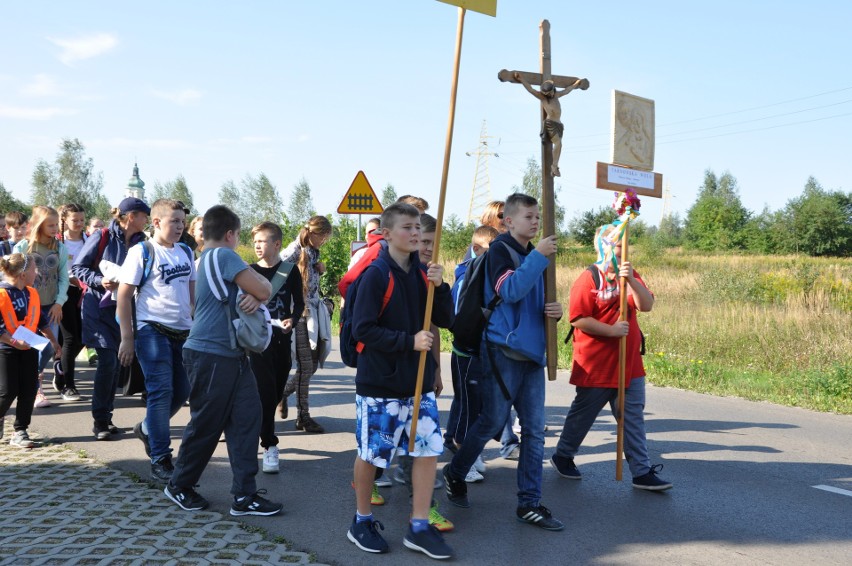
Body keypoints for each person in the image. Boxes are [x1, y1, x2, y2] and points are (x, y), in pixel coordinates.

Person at [443, 192, 565, 531]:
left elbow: (532, 301)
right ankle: (455, 472)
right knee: (491, 420)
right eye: (528, 216)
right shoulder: (501, 251)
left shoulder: (532, 255)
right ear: (508, 221)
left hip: (532, 355)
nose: (536, 221)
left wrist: (555, 310)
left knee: (534, 431)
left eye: (537, 215)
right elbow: (509, 292)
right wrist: (538, 257)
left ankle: (528, 503)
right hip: (501, 349)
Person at [347, 202, 455, 558]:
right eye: (407, 228)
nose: (414, 234)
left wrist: (440, 287)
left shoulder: (423, 273)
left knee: (427, 452)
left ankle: (419, 525)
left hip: (418, 383)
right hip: (380, 386)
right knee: (373, 455)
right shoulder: (376, 275)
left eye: (417, 229)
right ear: (388, 234)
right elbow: (363, 329)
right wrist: (407, 342)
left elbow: (445, 318)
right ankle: (361, 521)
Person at [164, 205, 282, 517]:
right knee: (206, 423)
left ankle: (245, 496)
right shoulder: (224, 255)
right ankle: (179, 484)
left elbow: (254, 293)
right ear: (230, 234)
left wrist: (256, 295)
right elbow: (266, 287)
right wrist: (259, 293)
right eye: (239, 235)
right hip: (211, 354)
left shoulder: (206, 259)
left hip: (229, 354)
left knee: (246, 420)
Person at [550, 224, 672, 491]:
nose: (622, 250)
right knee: (583, 415)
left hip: (630, 365)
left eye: (625, 245)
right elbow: (579, 318)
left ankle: (641, 471)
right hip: (597, 364)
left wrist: (634, 282)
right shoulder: (588, 278)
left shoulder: (631, 275)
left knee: (632, 417)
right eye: (617, 245)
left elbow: (646, 306)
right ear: (603, 245)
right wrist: (612, 330)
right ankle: (563, 455)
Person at [116, 199, 196, 483]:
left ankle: (148, 428)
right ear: (157, 222)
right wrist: (127, 338)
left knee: (182, 391)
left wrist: (196, 324)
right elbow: (123, 296)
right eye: (174, 221)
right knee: (161, 393)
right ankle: (161, 458)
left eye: (182, 222)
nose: (179, 226)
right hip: (152, 332)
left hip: (183, 333)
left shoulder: (186, 251)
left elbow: (191, 291)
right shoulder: (143, 252)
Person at [389, 212, 454, 533]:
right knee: (380, 446)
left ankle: (423, 511)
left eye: (433, 242)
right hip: (392, 374)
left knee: (421, 443)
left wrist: (437, 371)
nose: (429, 248)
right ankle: (367, 483)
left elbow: (440, 323)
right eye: (425, 241)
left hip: (421, 375)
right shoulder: (399, 272)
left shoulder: (431, 275)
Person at [72, 197, 150, 440]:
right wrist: (99, 281)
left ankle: (107, 415)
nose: (147, 219)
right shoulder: (102, 236)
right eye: (144, 215)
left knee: (116, 364)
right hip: (98, 309)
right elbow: (78, 267)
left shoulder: (143, 243)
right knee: (107, 362)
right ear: (130, 217)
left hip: (124, 310)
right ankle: (100, 422)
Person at [444, 224, 498, 483]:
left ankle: (470, 453)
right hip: (466, 352)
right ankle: (463, 461)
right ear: (476, 249)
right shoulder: (467, 277)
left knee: (478, 406)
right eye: (490, 250)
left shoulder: (487, 274)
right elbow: (459, 318)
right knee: (469, 408)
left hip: (481, 351)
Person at [249, 221, 303, 474]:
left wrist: (293, 318)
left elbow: (299, 303)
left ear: (277, 244)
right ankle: (269, 445)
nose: (258, 246)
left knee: (275, 392)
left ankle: (264, 432)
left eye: (263, 241)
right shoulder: (247, 271)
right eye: (255, 241)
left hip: (282, 340)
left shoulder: (290, 270)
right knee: (264, 393)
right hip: (258, 342)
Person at [0, 253, 61, 447]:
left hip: (29, 347)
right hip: (5, 349)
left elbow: (42, 322)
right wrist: (13, 342)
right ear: (22, 274)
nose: (38, 272)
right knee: (8, 391)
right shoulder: (2, 294)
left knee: (28, 389)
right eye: (34, 269)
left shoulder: (31, 292)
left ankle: (20, 431)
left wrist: (54, 342)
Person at [279, 215, 332, 433]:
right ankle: (303, 416)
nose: (324, 241)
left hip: (312, 313)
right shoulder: (294, 249)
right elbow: (276, 270)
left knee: (311, 363)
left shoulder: (313, 252)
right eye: (323, 236)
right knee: (306, 365)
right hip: (298, 314)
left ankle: (283, 393)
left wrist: (319, 270)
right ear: (313, 233)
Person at [14, 206, 70, 409]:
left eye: (56, 224)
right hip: (27, 308)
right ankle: (34, 387)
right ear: (39, 225)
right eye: (51, 225)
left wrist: (59, 303)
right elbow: (12, 277)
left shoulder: (60, 248)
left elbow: (64, 278)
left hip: (50, 308)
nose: (55, 228)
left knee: (49, 347)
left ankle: (31, 378)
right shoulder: (23, 247)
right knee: (27, 346)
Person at [514, 71, 589, 177]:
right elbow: (531, 89)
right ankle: (554, 167)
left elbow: (567, 90)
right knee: (558, 143)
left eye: (551, 93)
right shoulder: (543, 98)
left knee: (559, 146)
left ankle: (554, 167)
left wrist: (576, 84)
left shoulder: (557, 95)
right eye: (548, 94)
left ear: (553, 90)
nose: (550, 95)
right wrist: (521, 79)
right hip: (550, 123)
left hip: (559, 124)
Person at [54, 203, 88, 401]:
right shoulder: (58, 241)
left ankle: (60, 363)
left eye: (82, 220)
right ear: (64, 220)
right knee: (69, 338)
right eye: (75, 220)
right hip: (63, 294)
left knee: (84, 338)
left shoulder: (89, 240)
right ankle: (69, 385)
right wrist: (70, 278)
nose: (79, 224)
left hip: (84, 293)